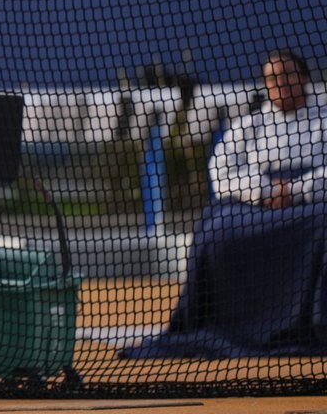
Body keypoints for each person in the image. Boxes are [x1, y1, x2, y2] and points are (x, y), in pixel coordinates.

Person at [123, 49, 327, 358]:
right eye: (273, 77)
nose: (280, 82)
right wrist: (263, 190)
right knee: (216, 227)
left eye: (287, 75)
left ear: (304, 78)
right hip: (256, 201)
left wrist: (297, 190)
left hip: (312, 203)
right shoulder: (248, 125)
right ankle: (220, 324)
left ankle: (314, 323)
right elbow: (220, 173)